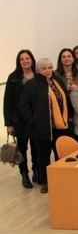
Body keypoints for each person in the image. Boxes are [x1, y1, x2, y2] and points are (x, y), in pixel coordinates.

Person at [20, 58, 69, 193]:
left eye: (50, 67)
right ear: (38, 70)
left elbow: (65, 99)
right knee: (43, 156)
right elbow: (24, 104)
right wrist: (32, 120)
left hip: (59, 126)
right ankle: (45, 181)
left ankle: (60, 178)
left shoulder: (57, 81)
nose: (48, 70)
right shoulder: (32, 84)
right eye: (44, 68)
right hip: (41, 127)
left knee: (60, 154)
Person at [4, 50, 37, 188]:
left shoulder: (38, 75)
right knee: (22, 149)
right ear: (19, 61)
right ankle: (24, 174)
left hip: (36, 119)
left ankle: (37, 171)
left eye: (27, 58)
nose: (25, 61)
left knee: (36, 148)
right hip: (20, 121)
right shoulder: (13, 78)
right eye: (22, 59)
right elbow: (7, 102)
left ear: (32, 60)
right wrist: (9, 124)